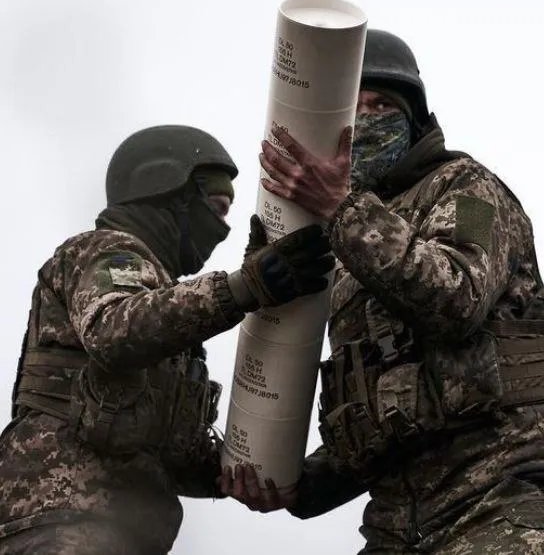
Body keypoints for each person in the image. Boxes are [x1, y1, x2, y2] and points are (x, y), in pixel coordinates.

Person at [223, 29, 544, 554]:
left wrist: (340, 209)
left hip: (497, 505)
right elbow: (388, 408)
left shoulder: (469, 189)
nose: (368, 115)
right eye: (356, 106)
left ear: (413, 119)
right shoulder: (344, 252)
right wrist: (294, 486)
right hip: (395, 528)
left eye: (383, 104)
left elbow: (457, 297)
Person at [0, 125, 334, 554]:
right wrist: (244, 288)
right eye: (215, 206)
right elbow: (113, 329)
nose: (223, 229)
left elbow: (180, 456)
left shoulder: (169, 318)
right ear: (169, 193)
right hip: (58, 519)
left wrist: (256, 473)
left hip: (123, 534)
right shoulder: (105, 251)